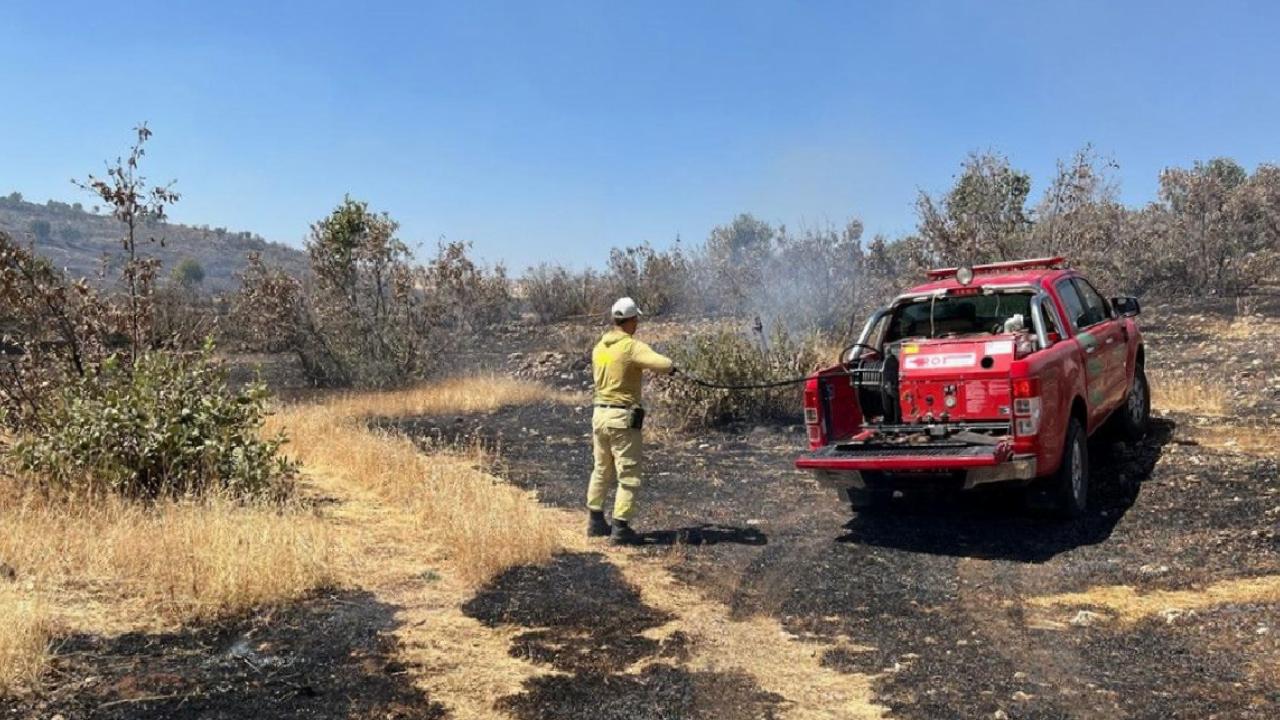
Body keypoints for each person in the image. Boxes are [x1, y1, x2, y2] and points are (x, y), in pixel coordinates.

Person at [586, 297, 676, 544]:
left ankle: (595, 521)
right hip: (621, 419)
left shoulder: (599, 347)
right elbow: (663, 364)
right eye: (636, 319)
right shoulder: (630, 346)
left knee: (601, 469)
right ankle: (621, 528)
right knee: (628, 473)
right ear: (632, 320)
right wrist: (672, 367)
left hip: (599, 415)